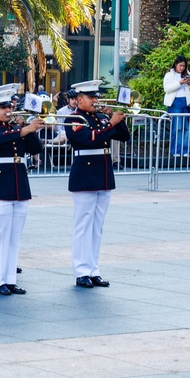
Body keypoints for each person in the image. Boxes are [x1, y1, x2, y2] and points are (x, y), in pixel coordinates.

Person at [65, 80, 131, 288]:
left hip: (102, 174)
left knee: (97, 227)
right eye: (91, 97)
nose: (95, 100)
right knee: (83, 225)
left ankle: (93, 269)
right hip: (85, 175)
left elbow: (124, 137)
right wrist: (110, 123)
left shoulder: (101, 117)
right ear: (79, 99)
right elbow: (89, 139)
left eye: (96, 97)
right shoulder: (73, 118)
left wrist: (118, 120)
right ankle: (81, 271)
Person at [0, 91, 43, 295]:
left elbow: (36, 148)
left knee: (14, 237)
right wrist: (21, 131)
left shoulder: (16, 128)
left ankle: (10, 279)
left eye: (10, 107)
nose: (9, 111)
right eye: (4, 108)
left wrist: (28, 128)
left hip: (19, 185)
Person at [162, 56, 190, 158]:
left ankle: (185, 150)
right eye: (180, 65)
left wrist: (189, 83)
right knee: (177, 127)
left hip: (186, 102)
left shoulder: (188, 74)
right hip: (175, 102)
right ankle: (176, 151)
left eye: (184, 66)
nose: (182, 68)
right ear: (176, 64)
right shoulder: (169, 75)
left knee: (187, 127)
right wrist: (179, 83)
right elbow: (167, 89)